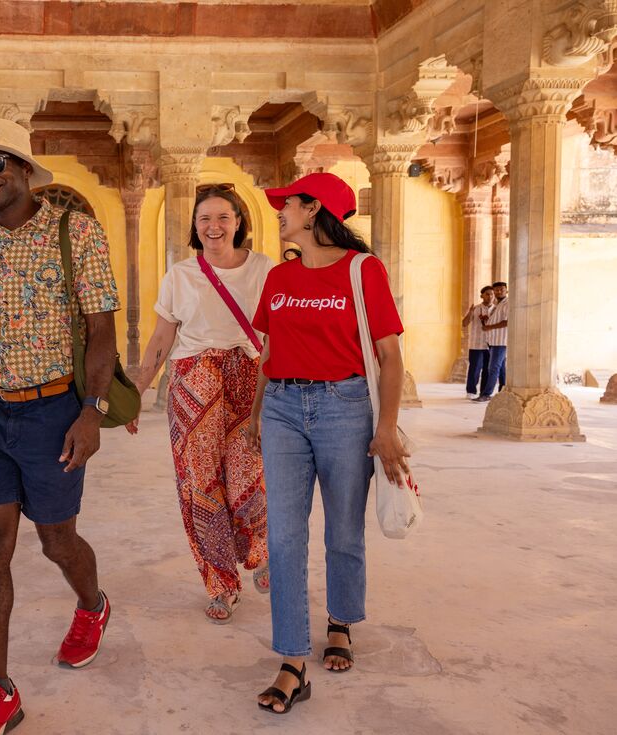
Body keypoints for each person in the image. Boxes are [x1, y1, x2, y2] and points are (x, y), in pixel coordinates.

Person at [0, 117, 120, 735]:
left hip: (52, 412)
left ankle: (93, 605)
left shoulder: (77, 232)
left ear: (23, 169)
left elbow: (101, 330)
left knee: (55, 541)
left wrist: (91, 412)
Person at [247, 173, 408, 714]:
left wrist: (385, 427)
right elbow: (269, 352)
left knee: (343, 529)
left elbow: (391, 356)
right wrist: (255, 413)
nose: (279, 212)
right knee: (285, 537)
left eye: (286, 204)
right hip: (283, 411)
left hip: (345, 408)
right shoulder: (278, 276)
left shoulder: (364, 270)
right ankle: (292, 659)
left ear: (314, 210)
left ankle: (340, 622)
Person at [130, 184, 271, 624]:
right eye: (205, 219)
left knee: (254, 475)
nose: (214, 226)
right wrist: (138, 391)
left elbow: (280, 334)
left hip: (250, 379)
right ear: (195, 226)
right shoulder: (180, 276)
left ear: (239, 221)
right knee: (201, 486)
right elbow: (160, 339)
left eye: (223, 217)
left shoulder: (264, 269)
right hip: (194, 385)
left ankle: (261, 550)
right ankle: (221, 583)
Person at [474, 281, 508, 402]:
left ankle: (486, 394)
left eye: (501, 289)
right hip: (494, 341)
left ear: (506, 290)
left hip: (501, 341)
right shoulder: (498, 304)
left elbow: (507, 322)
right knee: (502, 369)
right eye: (496, 290)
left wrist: (490, 327)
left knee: (493, 368)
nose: (498, 292)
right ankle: (503, 393)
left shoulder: (507, 304)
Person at [462, 285, 494, 398]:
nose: (490, 296)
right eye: (487, 294)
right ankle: (470, 391)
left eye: (492, 294)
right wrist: (470, 313)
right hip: (476, 345)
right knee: (474, 369)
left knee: (487, 369)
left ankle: (484, 393)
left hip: (491, 344)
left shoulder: (496, 309)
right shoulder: (475, 309)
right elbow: (464, 324)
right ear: (482, 296)